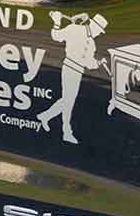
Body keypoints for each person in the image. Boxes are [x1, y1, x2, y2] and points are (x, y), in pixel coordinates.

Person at [37, 11, 109, 144]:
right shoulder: (74, 29)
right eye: (99, 31)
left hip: (78, 71)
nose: (99, 34)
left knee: (67, 100)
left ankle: (45, 116)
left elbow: (89, 62)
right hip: (69, 68)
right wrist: (56, 21)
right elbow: (56, 36)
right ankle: (66, 132)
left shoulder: (91, 43)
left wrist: (99, 63)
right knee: (68, 101)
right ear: (94, 26)